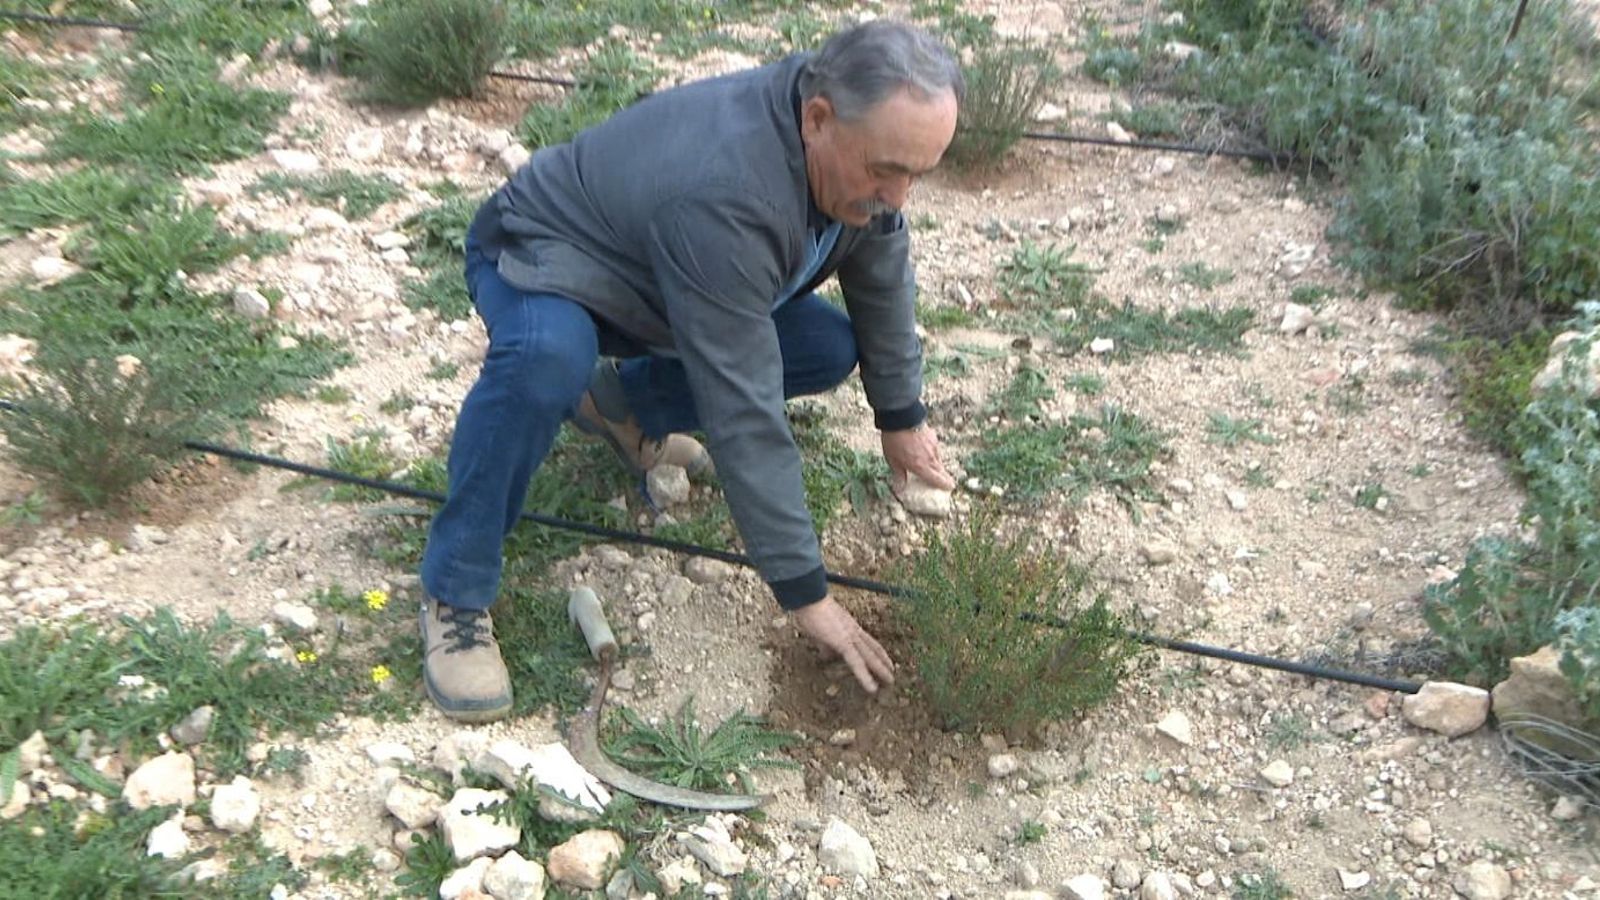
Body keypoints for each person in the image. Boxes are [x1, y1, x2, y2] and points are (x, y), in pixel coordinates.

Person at [418, 20, 964, 723]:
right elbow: (743, 407)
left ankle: (622, 407)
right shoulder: (728, 189)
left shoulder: (854, 128)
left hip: (659, 277)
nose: (900, 197)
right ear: (818, 119)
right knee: (546, 357)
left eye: (919, 172)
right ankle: (454, 591)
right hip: (544, 257)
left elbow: (882, 272)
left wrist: (901, 418)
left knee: (823, 346)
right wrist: (807, 593)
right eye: (887, 170)